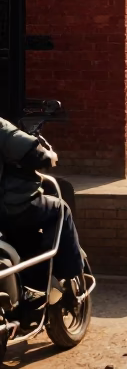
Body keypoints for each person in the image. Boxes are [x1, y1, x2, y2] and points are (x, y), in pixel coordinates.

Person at [0, 116, 84, 295]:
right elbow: (31, 152)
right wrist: (49, 156)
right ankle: (69, 278)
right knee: (59, 209)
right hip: (9, 208)